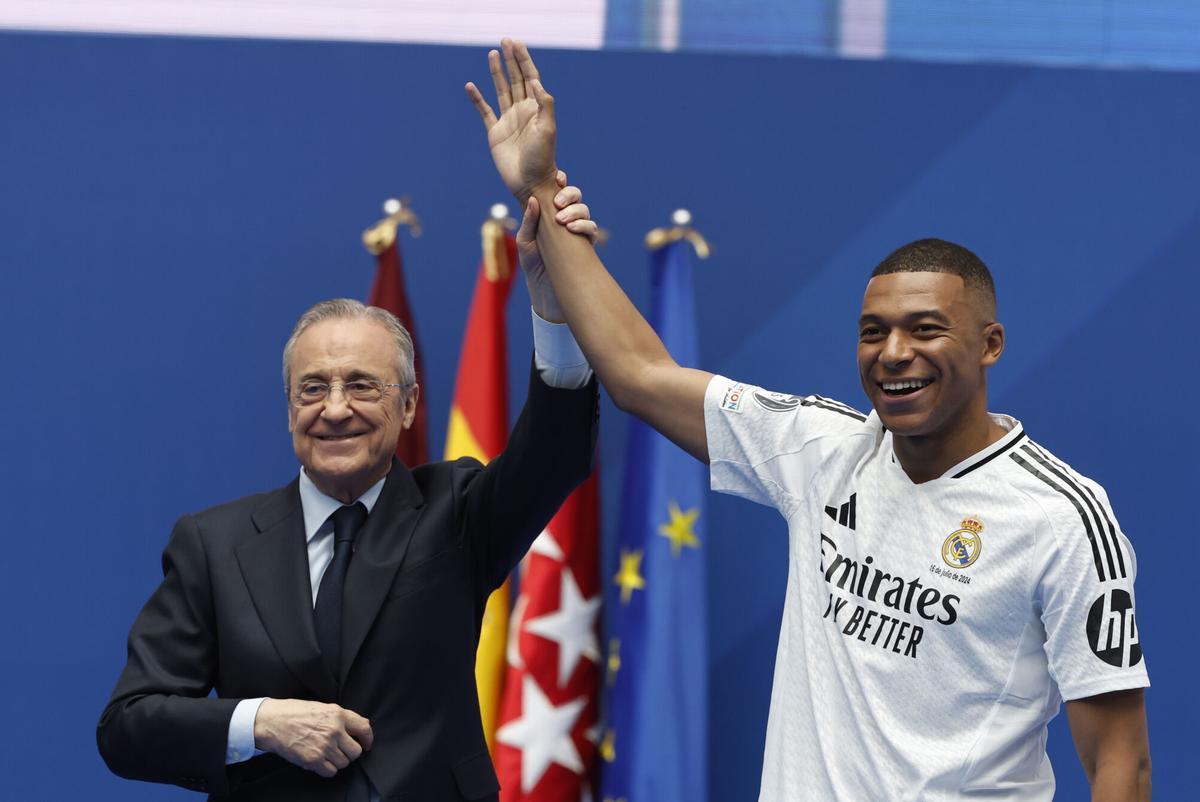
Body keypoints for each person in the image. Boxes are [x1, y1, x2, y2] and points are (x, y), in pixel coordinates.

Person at [465, 39, 1152, 801]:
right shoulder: (823, 449)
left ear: (989, 344)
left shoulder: (1062, 517)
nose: (894, 354)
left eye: (926, 329)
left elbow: (1121, 758)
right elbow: (640, 375)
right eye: (872, 331)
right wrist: (542, 191)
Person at [97, 179, 601, 801]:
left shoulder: (458, 512)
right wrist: (259, 722)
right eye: (313, 389)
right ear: (289, 411)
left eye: (363, 386)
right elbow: (128, 725)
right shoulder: (213, 544)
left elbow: (556, 451)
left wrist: (555, 302)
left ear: (411, 405)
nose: (335, 409)